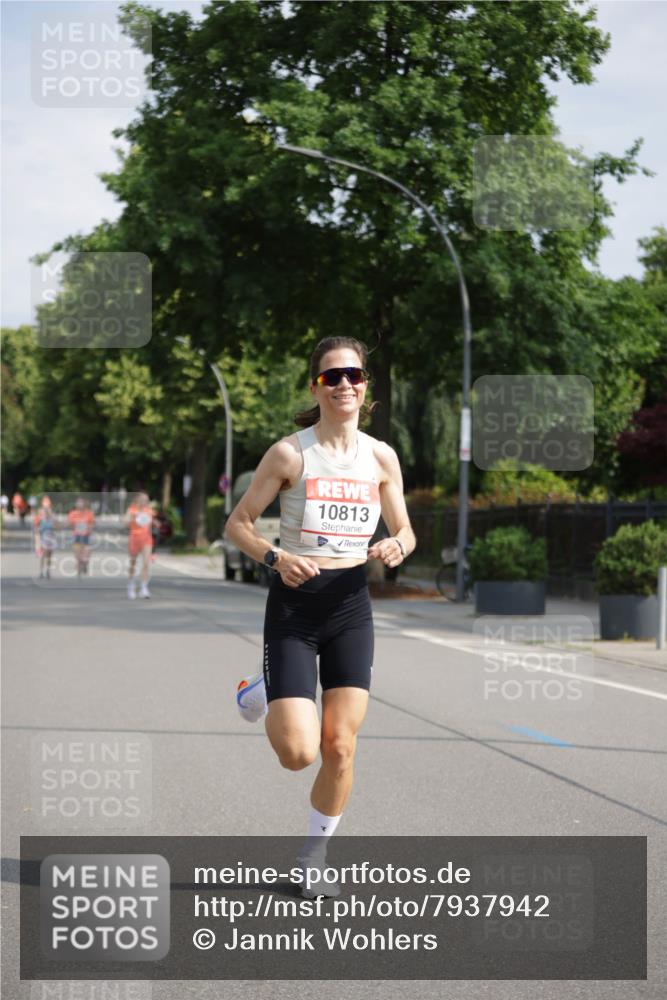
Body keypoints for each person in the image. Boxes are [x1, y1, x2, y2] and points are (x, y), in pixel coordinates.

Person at [224, 336, 416, 898]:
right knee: (298, 753)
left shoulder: (381, 457)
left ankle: (314, 857)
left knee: (339, 747)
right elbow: (238, 525)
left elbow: (405, 530)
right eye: (332, 377)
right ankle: (259, 687)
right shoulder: (290, 454)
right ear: (316, 386)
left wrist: (397, 547)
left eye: (353, 375)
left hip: (351, 606)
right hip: (294, 607)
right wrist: (276, 558)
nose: (344, 385)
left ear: (366, 387)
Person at [126, 491, 155, 599]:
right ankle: (131, 585)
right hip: (134, 538)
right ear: (137, 500)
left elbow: (151, 524)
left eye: (146, 500)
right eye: (142, 500)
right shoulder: (131, 509)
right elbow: (125, 522)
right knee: (133, 563)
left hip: (146, 539)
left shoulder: (149, 510)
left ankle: (144, 588)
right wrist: (133, 517)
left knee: (146, 563)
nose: (144, 502)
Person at [67, 497, 95, 576]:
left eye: (81, 502)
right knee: (77, 552)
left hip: (86, 535)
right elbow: (69, 524)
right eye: (78, 502)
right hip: (76, 535)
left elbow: (92, 523)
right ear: (76, 504)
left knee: (86, 552)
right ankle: (79, 564)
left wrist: (90, 528)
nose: (80, 504)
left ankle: (85, 563)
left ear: (84, 504)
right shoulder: (72, 513)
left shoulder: (89, 513)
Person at [33, 495, 57, 579]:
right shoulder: (39, 516)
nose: (46, 510)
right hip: (43, 537)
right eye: (45, 508)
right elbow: (36, 528)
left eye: (48, 507)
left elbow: (56, 527)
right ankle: (41, 571)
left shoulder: (52, 516)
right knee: (44, 555)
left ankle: (48, 571)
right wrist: (37, 541)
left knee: (49, 556)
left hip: (51, 538)